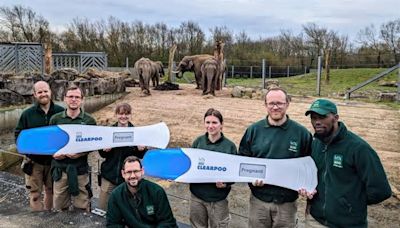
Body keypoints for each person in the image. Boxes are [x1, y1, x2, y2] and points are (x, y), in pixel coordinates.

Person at [300, 99, 392, 227]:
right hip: (315, 221)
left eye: (322, 117)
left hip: (348, 224)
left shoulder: (358, 148)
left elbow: (381, 191)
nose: (317, 122)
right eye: (313, 118)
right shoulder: (316, 144)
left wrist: (350, 204)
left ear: (336, 118)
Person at [238, 87, 312, 228]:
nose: (275, 107)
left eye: (280, 103)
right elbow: (243, 160)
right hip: (259, 200)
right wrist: (251, 179)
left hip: (287, 203)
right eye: (271, 103)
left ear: (287, 104)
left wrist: (306, 185)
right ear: (265, 105)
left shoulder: (301, 134)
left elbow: (309, 166)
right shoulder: (254, 131)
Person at [15, 81, 64, 211]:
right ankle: (38, 221)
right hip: (34, 161)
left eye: (45, 91)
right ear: (35, 94)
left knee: (51, 191)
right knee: (35, 194)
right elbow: (18, 135)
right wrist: (26, 151)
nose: (43, 94)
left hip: (53, 161)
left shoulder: (60, 111)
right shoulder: (27, 114)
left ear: (50, 92)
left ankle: (47, 219)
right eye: (40, 92)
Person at [49, 85, 96, 212]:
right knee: (59, 207)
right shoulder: (55, 119)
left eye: (77, 97)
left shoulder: (89, 121)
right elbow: (51, 142)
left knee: (82, 206)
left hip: (80, 170)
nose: (74, 99)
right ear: (65, 98)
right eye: (71, 96)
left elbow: (93, 144)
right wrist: (54, 154)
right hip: (60, 169)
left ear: (82, 99)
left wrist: (80, 154)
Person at [190, 108, 237, 228]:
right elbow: (190, 166)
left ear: (221, 125)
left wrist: (226, 183)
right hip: (197, 196)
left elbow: (234, 172)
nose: (211, 126)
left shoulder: (229, 146)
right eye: (208, 122)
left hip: (218, 198)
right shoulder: (198, 143)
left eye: (214, 122)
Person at [98, 103, 147, 210]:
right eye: (120, 114)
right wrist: (105, 149)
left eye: (127, 113)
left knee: (126, 208)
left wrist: (141, 149)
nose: (123, 116)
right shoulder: (108, 132)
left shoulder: (137, 132)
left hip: (128, 178)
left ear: (131, 115)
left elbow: (140, 156)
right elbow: (102, 154)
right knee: (103, 207)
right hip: (109, 176)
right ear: (116, 115)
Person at [107, 156, 177, 227]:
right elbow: (113, 224)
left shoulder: (157, 192)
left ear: (142, 171)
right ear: (123, 173)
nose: (133, 176)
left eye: (136, 171)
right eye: (128, 172)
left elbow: (167, 222)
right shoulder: (116, 195)